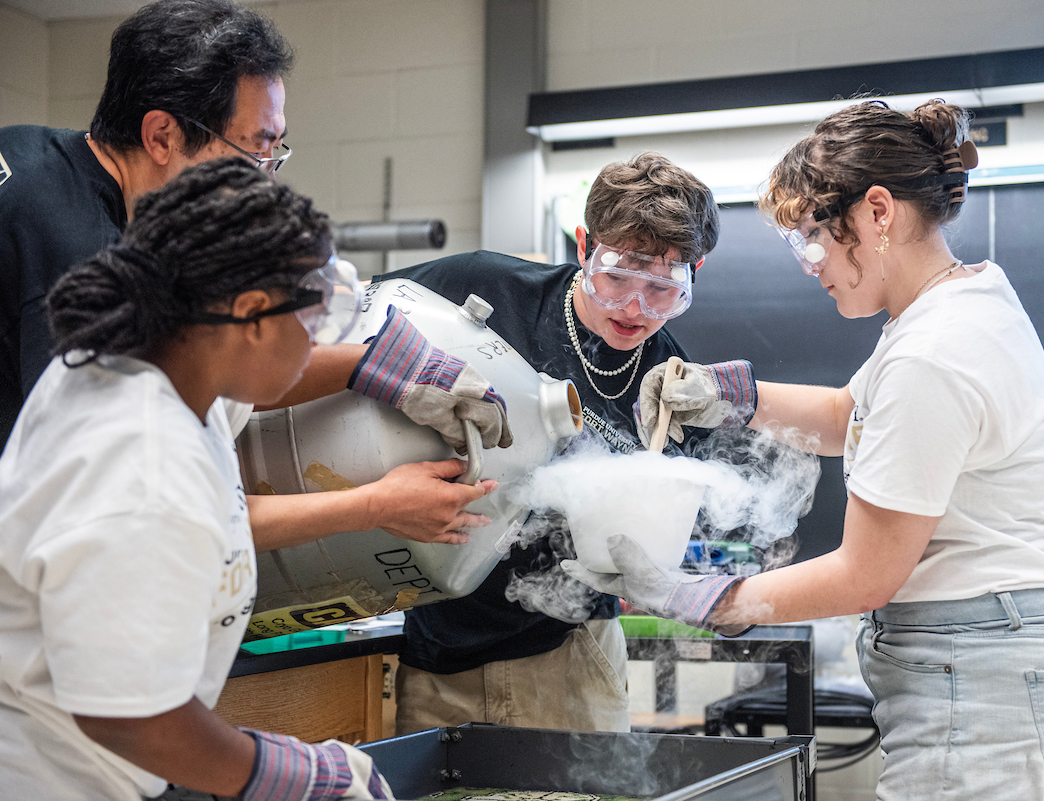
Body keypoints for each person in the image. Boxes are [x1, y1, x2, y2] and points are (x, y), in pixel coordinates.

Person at [566, 101, 1044, 800]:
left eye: (812, 241)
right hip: (990, 680)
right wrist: (728, 393)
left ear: (877, 212)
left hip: (986, 702)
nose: (809, 267)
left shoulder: (934, 354)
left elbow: (865, 574)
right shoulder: (954, 308)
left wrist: (704, 597)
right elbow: (845, 415)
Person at [0, 0, 506, 549]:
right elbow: (144, 518)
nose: (262, 184)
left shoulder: (38, 155)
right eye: (253, 152)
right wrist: (374, 505)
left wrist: (373, 362)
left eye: (273, 152)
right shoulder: (76, 258)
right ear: (162, 136)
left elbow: (217, 365)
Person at [0, 159, 397, 800]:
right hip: (52, 777)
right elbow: (129, 716)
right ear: (252, 314)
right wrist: (293, 775)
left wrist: (380, 365)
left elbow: (265, 382)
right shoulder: (143, 464)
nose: (315, 342)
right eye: (314, 323)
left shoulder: (168, 368)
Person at [376, 153, 745, 735]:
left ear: (696, 271)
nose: (634, 307)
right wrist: (396, 368)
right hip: (439, 642)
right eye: (617, 275)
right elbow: (352, 320)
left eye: (663, 289)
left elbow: (684, 537)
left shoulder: (676, 387)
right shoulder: (484, 289)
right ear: (584, 247)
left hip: (573, 654)